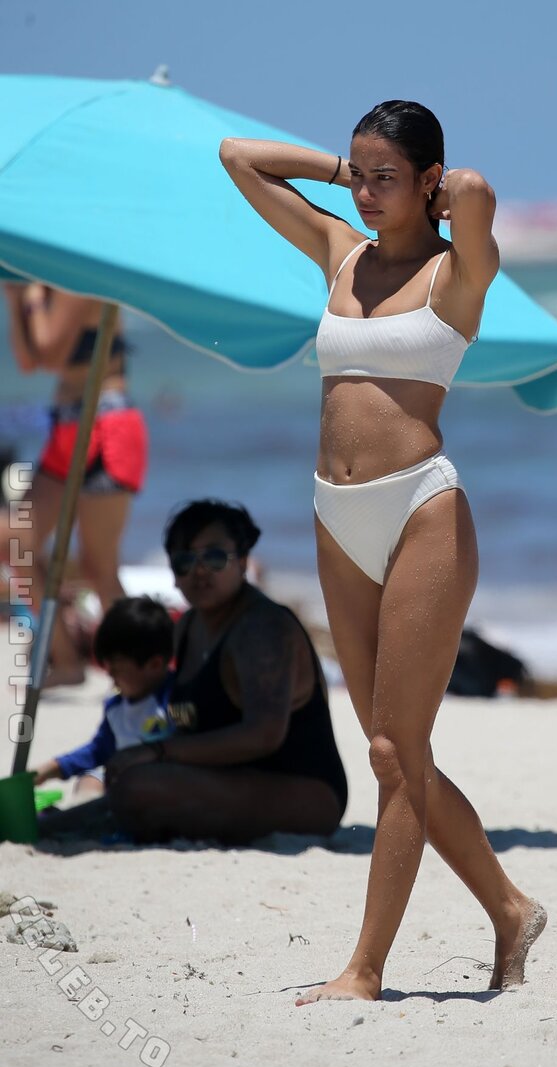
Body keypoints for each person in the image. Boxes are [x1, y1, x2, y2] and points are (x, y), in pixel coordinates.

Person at [220, 99, 546, 1004]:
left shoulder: (458, 272)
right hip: (335, 515)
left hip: (420, 513)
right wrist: (346, 172)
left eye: (384, 177)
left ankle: (364, 969)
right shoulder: (340, 251)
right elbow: (238, 157)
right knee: (389, 752)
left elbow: (476, 190)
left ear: (428, 179)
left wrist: (437, 191)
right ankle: (510, 908)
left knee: (399, 750)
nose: (365, 193)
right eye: (358, 175)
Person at [105, 499, 348, 844]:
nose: (200, 571)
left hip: (304, 791)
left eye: (215, 557)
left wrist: (160, 752)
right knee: (124, 779)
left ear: (244, 562)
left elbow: (263, 735)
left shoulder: (262, 628)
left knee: (138, 786)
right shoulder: (188, 627)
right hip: (226, 780)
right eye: (184, 561)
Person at [1, 283, 148, 686]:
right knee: (15, 541)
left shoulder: (77, 276)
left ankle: (138, 671)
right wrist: (15, 301)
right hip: (68, 424)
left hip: (107, 423)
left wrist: (30, 297)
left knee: (99, 566)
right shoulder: (46, 287)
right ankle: (66, 659)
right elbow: (28, 361)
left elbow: (49, 352)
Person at [33, 596, 175, 800]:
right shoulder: (117, 706)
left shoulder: (174, 698)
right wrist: (51, 769)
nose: (111, 677)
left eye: (117, 670)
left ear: (154, 665)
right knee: (90, 779)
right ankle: (87, 811)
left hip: (165, 784)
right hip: (124, 784)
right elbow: (99, 750)